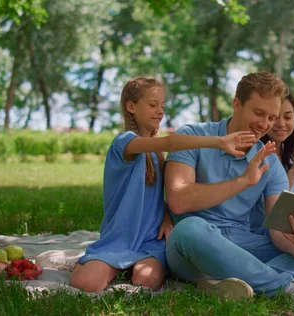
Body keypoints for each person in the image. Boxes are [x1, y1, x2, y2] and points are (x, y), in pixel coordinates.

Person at [164, 72, 294, 303]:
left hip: (242, 243)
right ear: (237, 104)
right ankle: (288, 288)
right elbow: (178, 200)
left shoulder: (270, 162)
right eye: (258, 113)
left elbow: (277, 231)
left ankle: (228, 283)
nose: (264, 124)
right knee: (190, 228)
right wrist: (242, 181)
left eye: (271, 117)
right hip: (194, 248)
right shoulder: (192, 137)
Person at [70, 77, 257, 292]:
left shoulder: (157, 155)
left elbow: (161, 196)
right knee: (87, 284)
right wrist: (219, 141)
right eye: (152, 105)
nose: (160, 111)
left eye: (162, 105)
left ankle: (131, 268)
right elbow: (169, 142)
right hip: (119, 238)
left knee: (146, 281)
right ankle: (89, 264)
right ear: (131, 107)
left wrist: (167, 219)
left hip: (150, 241)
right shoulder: (124, 143)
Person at [249, 92, 294, 235]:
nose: (281, 123)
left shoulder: (291, 158)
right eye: (275, 117)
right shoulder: (256, 157)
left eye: (288, 117)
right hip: (267, 232)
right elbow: (269, 210)